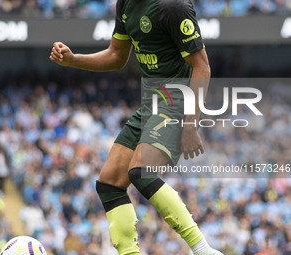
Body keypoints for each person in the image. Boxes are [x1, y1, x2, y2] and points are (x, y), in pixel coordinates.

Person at [49, 0, 223, 254]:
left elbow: (202, 66)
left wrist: (189, 124)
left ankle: (203, 249)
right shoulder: (126, 3)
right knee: (108, 184)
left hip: (177, 102)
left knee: (141, 171)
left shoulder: (172, 7)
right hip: (152, 102)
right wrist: (73, 59)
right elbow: (116, 56)